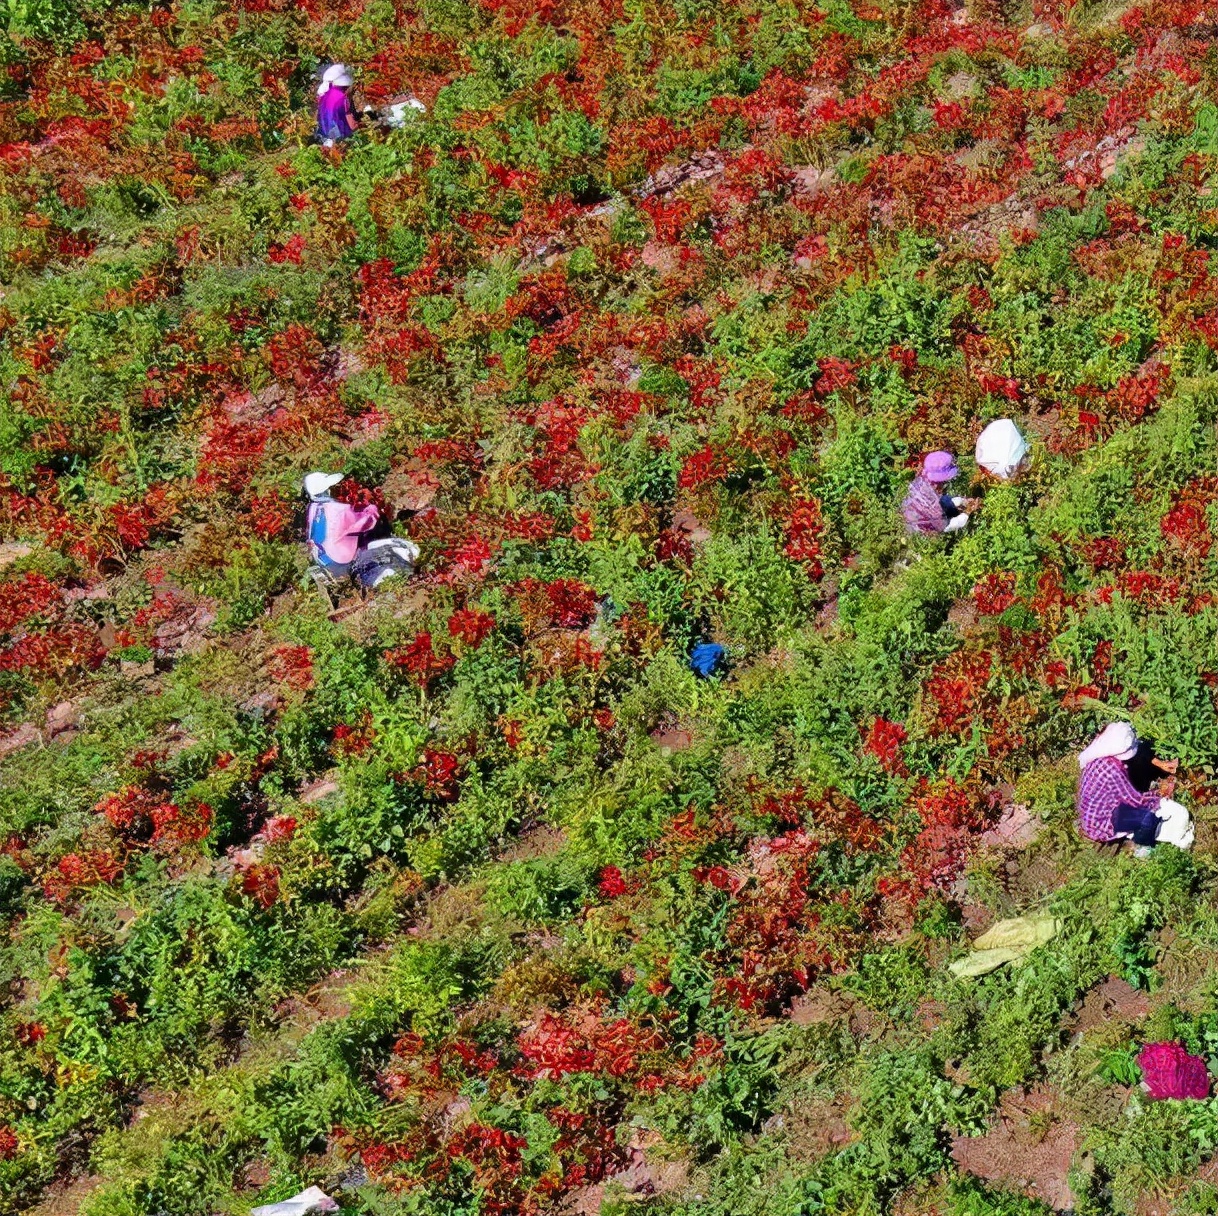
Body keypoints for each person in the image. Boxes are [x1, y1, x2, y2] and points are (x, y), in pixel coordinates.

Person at [1077, 722, 1193, 851]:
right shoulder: (1113, 770)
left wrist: (1159, 764)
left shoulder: (1098, 756)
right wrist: (1161, 793)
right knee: (1173, 814)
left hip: (1091, 817)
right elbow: (1136, 801)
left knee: (1168, 813)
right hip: (1102, 823)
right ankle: (1143, 843)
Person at [303, 472, 418, 589]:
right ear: (326, 491)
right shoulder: (339, 510)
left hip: (324, 561)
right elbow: (370, 518)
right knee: (401, 546)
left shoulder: (313, 508)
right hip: (340, 565)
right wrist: (372, 504)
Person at [902, 451, 976, 535]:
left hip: (913, 515)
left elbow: (942, 501)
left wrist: (962, 501)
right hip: (918, 529)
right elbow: (945, 526)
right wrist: (967, 513)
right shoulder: (929, 500)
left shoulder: (923, 480)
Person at [316, 64, 358, 147]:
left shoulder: (323, 96)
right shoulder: (342, 98)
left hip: (322, 137)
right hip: (338, 138)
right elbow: (352, 125)